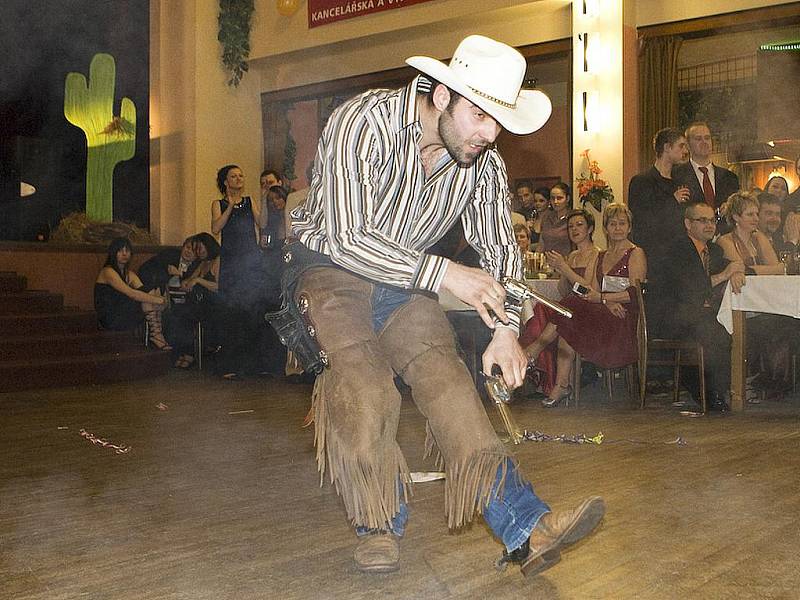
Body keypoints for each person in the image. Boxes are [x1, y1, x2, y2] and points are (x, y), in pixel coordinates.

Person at [284, 35, 605, 576]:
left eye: (497, 122)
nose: (489, 135)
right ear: (439, 95)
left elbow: (501, 250)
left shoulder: (481, 160)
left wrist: (506, 330)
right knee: (365, 387)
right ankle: (377, 522)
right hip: (330, 270)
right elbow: (344, 237)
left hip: (406, 275)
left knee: (449, 382)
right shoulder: (362, 123)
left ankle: (525, 526)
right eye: (479, 115)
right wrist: (448, 273)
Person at [521, 204, 646, 407]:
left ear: (629, 227)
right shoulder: (602, 255)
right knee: (569, 318)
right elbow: (590, 292)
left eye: (622, 224)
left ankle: (536, 350)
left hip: (624, 315)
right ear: (605, 228)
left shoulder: (635, 253)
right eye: (612, 224)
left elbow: (636, 293)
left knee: (569, 309)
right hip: (604, 311)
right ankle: (561, 385)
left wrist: (606, 299)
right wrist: (604, 300)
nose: (617, 228)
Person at [660, 202, 746, 412]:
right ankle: (710, 393)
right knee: (716, 332)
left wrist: (737, 271)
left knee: (734, 328)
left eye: (712, 220)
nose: (710, 225)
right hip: (676, 316)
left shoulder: (714, 250)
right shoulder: (676, 249)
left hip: (704, 314)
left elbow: (737, 266)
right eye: (703, 220)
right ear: (688, 223)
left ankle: (718, 390)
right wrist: (726, 274)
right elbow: (689, 289)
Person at [519, 209, 599, 398]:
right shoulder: (572, 256)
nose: (574, 229)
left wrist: (565, 268)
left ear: (590, 229)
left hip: (590, 309)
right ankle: (542, 376)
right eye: (571, 226)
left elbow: (587, 289)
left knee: (564, 312)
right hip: (572, 308)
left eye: (579, 225)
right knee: (542, 308)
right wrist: (561, 270)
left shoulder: (596, 254)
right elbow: (564, 291)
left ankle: (532, 353)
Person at [628, 127, 690, 335]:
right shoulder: (642, 181)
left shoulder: (682, 181)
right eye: (681, 146)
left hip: (679, 259)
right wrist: (672, 202)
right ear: (667, 147)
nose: (685, 151)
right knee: (658, 320)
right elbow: (642, 221)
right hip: (655, 260)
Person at [211, 164, 268, 378]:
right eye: (233, 176)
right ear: (225, 182)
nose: (238, 179)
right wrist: (230, 207)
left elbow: (262, 223)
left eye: (241, 176)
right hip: (231, 263)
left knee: (251, 311)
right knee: (231, 313)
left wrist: (262, 198)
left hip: (250, 262)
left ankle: (252, 366)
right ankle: (229, 366)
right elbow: (216, 228)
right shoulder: (218, 203)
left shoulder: (249, 201)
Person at [94, 237, 170, 349]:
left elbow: (144, 289)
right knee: (146, 297)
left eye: (127, 250)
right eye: (120, 251)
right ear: (113, 253)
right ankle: (156, 335)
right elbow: (132, 294)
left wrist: (155, 296)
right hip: (110, 316)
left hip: (123, 312)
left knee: (150, 290)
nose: (125, 254)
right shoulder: (108, 271)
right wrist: (160, 300)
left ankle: (157, 334)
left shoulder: (128, 273)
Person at [167, 233, 222, 369]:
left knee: (187, 314)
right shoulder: (203, 263)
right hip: (199, 303)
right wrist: (186, 283)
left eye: (200, 249)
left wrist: (198, 280)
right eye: (196, 249)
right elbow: (189, 279)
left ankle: (191, 352)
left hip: (214, 304)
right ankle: (183, 350)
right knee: (176, 313)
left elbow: (219, 287)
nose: (198, 252)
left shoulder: (217, 261)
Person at [672, 122, 740, 211]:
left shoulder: (729, 177)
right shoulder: (675, 176)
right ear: (687, 145)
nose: (704, 142)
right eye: (698, 139)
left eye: (707, 138)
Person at [536, 182, 572, 256]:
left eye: (559, 198)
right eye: (552, 198)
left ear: (567, 199)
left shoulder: (572, 218)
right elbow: (541, 244)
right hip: (546, 263)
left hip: (565, 263)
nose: (555, 202)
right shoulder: (546, 217)